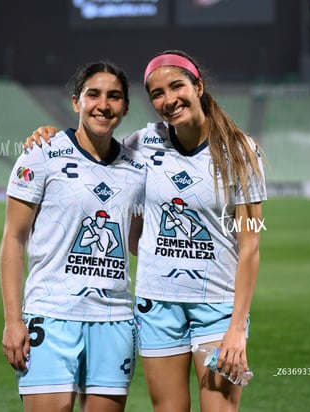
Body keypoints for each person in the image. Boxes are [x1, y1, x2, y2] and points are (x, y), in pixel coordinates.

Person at [24, 49, 267, 412]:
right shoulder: (143, 144)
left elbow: (250, 244)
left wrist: (237, 328)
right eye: (157, 93)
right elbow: (92, 153)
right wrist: (48, 135)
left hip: (218, 308)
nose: (169, 100)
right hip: (157, 305)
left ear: (197, 86)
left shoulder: (241, 151)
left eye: (177, 86)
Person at [0, 60, 146, 412]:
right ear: (76, 101)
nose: (103, 104)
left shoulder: (139, 168)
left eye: (114, 97)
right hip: (51, 315)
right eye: (93, 94)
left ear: (124, 107)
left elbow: (137, 243)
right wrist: (12, 320)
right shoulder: (41, 153)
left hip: (114, 319)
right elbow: (13, 240)